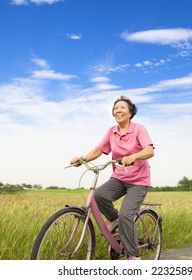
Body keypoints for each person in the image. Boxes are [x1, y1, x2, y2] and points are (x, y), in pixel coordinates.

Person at [70, 96, 154, 260]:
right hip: (119, 177)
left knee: (126, 214)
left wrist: (134, 156)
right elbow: (98, 150)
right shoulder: (112, 131)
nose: (118, 110)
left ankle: (133, 256)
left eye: (122, 107)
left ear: (130, 113)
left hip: (138, 181)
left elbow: (149, 150)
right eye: (116, 108)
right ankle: (116, 221)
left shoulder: (138, 129)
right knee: (99, 195)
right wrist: (82, 159)